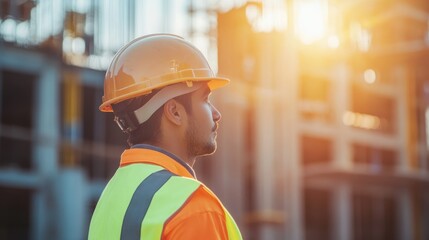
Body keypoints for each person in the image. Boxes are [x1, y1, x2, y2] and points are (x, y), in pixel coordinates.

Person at [88, 34, 242, 240]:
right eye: (205, 99)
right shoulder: (194, 207)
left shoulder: (111, 198)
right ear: (175, 112)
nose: (217, 114)